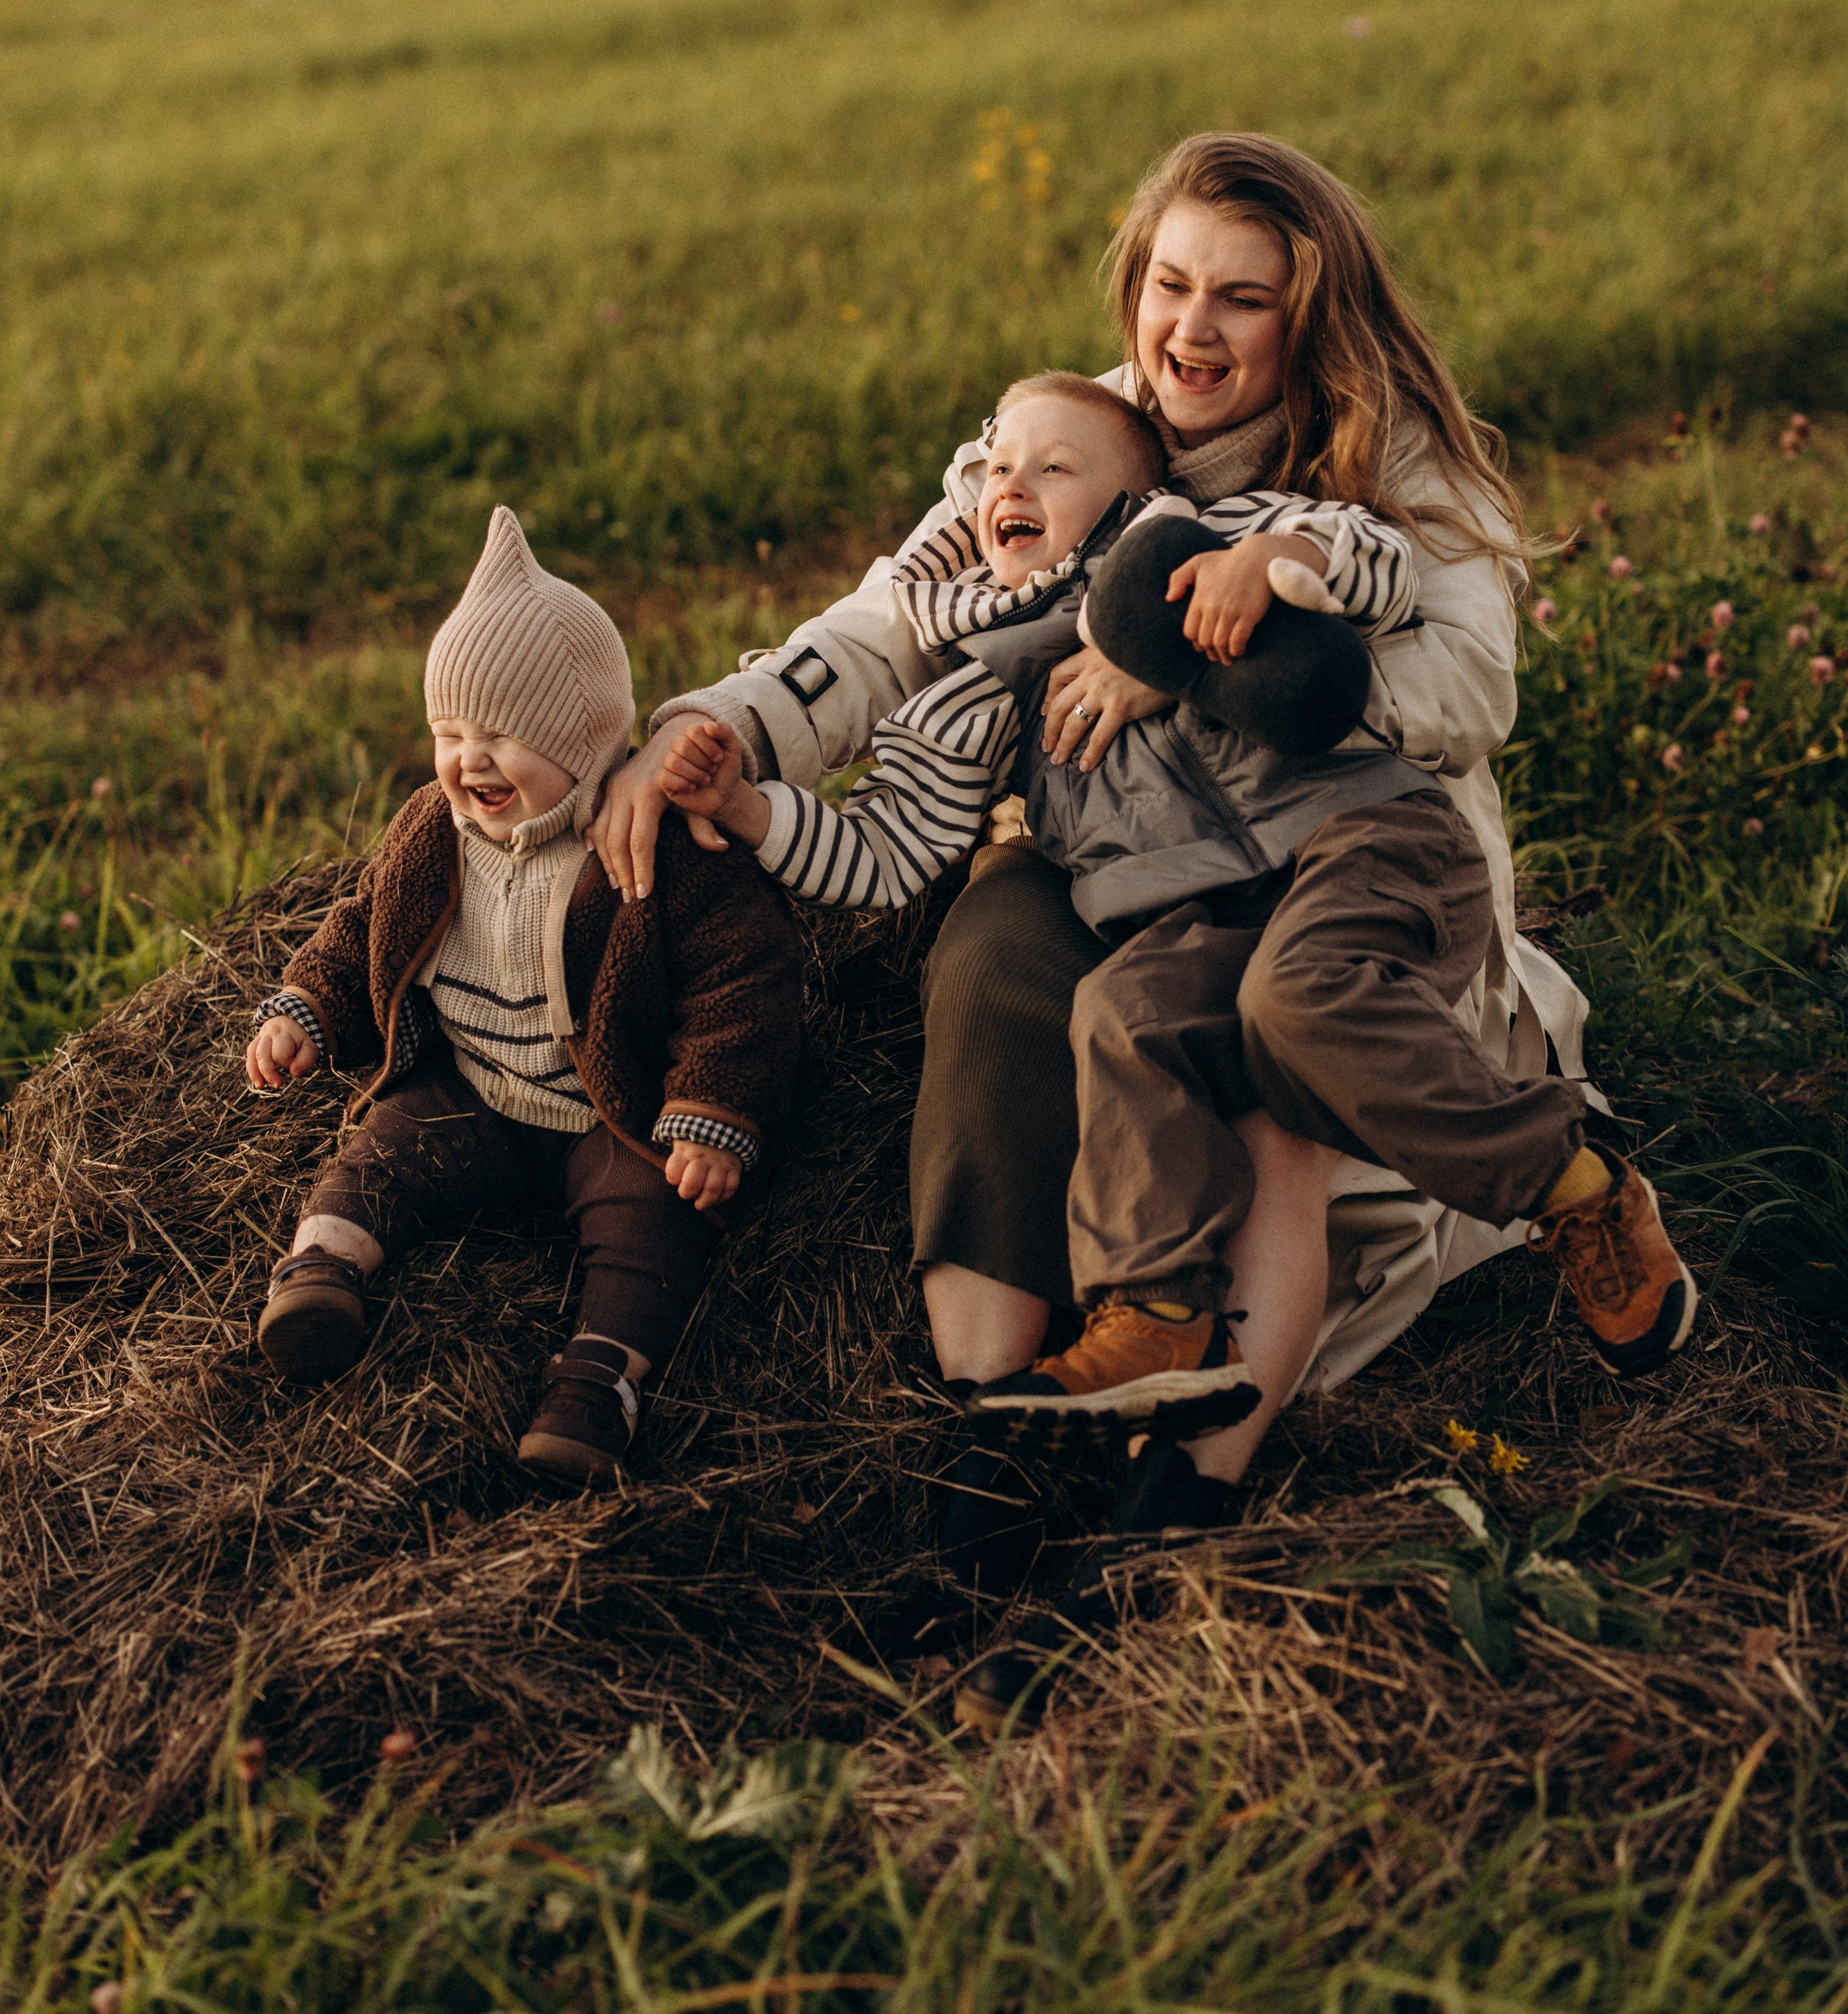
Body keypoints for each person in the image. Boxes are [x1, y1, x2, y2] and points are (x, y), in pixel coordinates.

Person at [589, 133, 1696, 1704]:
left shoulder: (1380, 464)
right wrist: (725, 734)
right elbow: (895, 610)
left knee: (1267, 1061)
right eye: (1169, 284)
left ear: (1308, 318)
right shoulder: (1083, 432)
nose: (1190, 327)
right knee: (985, 956)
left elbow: (1467, 687)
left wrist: (1196, 636)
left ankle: (1172, 1514)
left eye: (1239, 299)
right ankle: (987, 1450)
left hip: (1342, 843)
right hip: (1131, 847)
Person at [659, 368, 1418, 1514]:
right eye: (997, 468)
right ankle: (1002, 1443)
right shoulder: (968, 693)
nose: (1011, 485)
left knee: (1273, 1084)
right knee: (1065, 1015)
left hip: (1303, 867)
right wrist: (751, 811)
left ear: (1128, 511)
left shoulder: (1207, 541)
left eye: (1054, 470)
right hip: (1149, 916)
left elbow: (1378, 561)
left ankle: (1192, 1487)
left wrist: (1245, 583)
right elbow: (880, 854)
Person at [243, 507, 803, 1490]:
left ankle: (599, 1380)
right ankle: (324, 1272)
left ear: (587, 738)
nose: (469, 760)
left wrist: (712, 1111)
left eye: (500, 735)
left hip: (609, 1114)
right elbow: (361, 921)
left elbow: (744, 977)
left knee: (652, 1224)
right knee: (381, 1150)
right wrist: (307, 1007)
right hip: (477, 1091)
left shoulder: (656, 849)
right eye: (449, 734)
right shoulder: (431, 832)